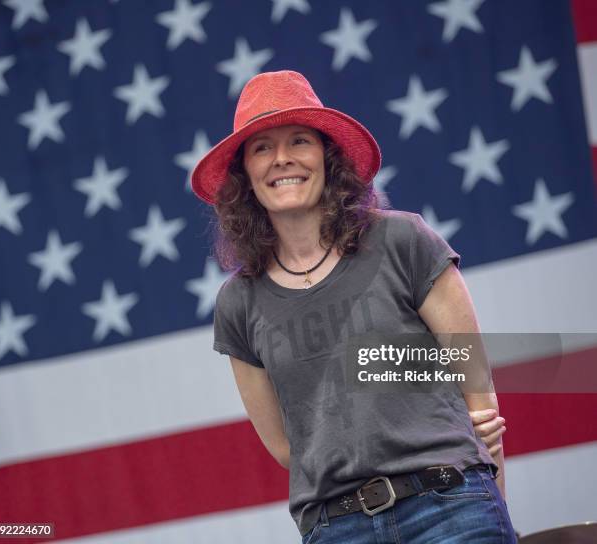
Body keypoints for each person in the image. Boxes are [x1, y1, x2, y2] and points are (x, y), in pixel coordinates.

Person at [191, 70, 516, 543]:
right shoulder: (237, 302)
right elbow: (288, 445)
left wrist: (495, 512)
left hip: (451, 508)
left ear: (327, 156)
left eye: (299, 140)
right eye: (262, 147)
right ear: (245, 176)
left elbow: (479, 396)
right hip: (335, 527)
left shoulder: (405, 240)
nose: (282, 158)